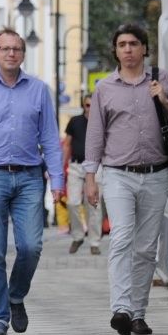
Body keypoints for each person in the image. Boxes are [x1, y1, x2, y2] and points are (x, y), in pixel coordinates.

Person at [84, 23, 168, 335]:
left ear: (144, 48)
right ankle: (121, 308)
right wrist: (90, 177)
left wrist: (166, 103)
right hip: (118, 175)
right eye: (122, 44)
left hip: (156, 175)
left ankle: (138, 313)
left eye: (133, 44)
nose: (128, 49)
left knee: (145, 248)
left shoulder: (162, 79)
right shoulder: (104, 88)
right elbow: (95, 135)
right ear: (115, 51)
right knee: (121, 238)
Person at [0, 28, 64, 335]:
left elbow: (50, 138)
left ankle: (15, 295)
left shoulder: (39, 90)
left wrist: (57, 181)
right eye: (5, 48)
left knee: (31, 246)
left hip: (30, 177)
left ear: (23, 54)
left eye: (16, 48)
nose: (11, 53)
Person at [63, 95, 102, 255]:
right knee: (72, 202)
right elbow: (67, 144)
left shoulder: (101, 121)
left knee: (94, 206)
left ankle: (94, 242)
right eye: (87, 105)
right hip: (76, 166)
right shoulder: (74, 121)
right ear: (83, 106)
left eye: (93, 105)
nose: (90, 108)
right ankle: (78, 236)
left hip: (96, 167)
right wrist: (60, 167)